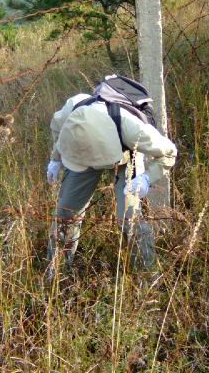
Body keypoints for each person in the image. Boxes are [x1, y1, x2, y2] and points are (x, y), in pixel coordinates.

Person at [45, 75, 177, 278]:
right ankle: (55, 275)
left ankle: (146, 276)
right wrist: (56, 158)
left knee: (129, 219)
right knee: (65, 214)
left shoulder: (131, 128)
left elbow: (169, 152)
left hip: (125, 152)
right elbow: (58, 131)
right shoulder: (72, 108)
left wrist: (146, 178)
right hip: (79, 152)